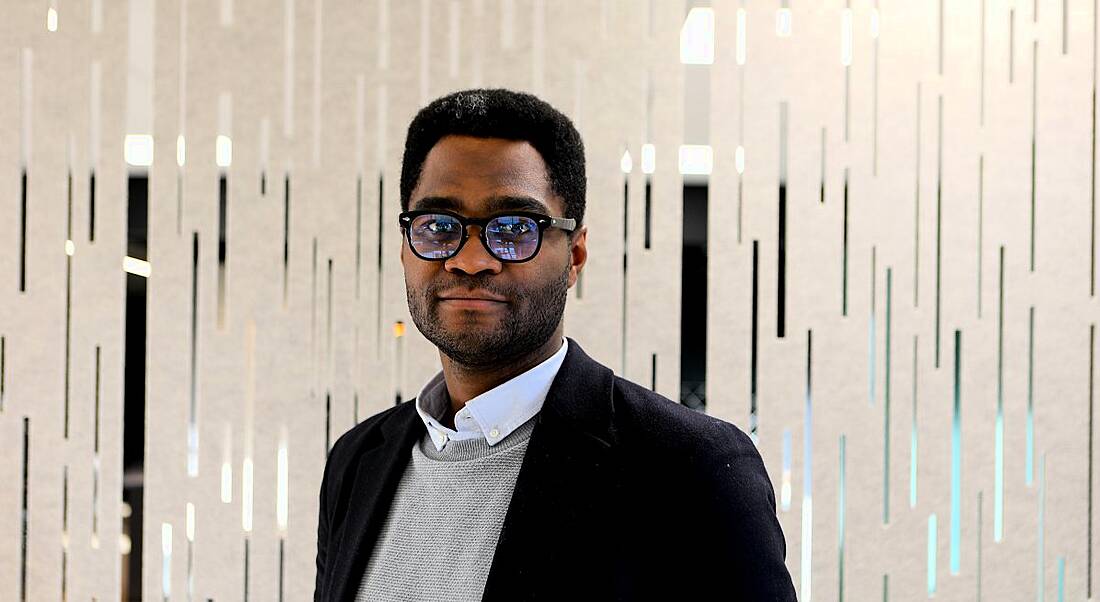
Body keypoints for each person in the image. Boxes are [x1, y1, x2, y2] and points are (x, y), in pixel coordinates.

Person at [313, 88, 797, 601]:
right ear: (407, 245)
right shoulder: (357, 461)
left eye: (515, 228)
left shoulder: (689, 470)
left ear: (575, 255)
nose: (471, 259)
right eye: (438, 226)